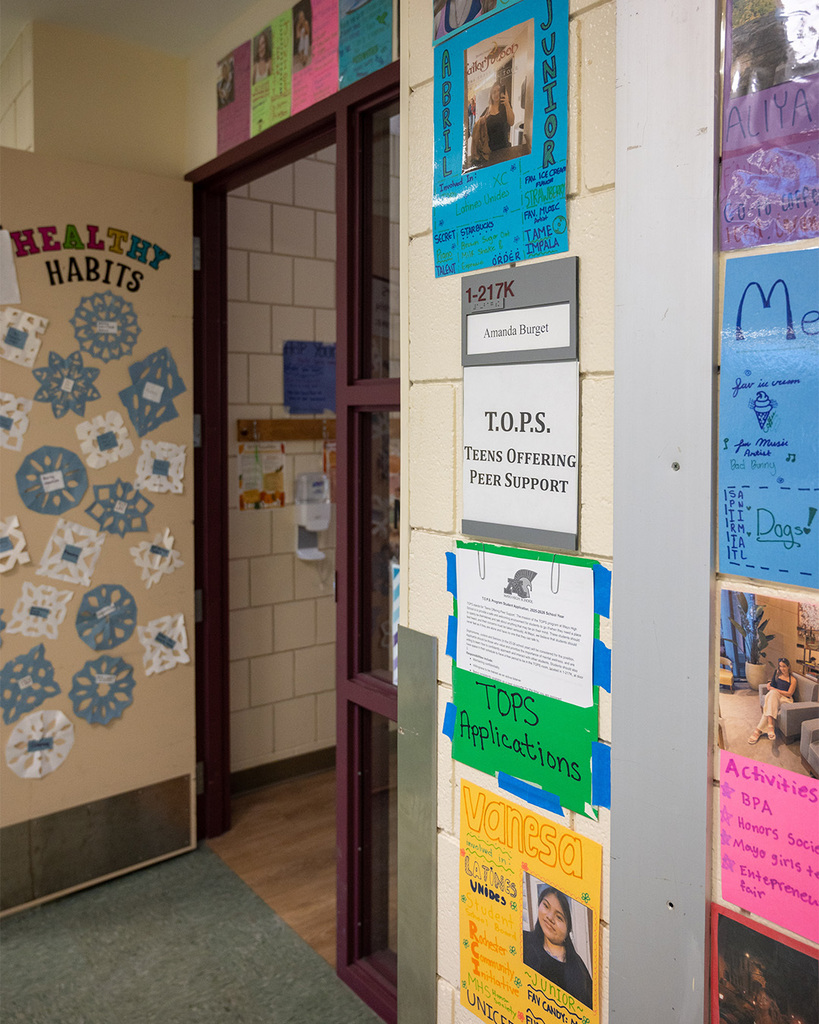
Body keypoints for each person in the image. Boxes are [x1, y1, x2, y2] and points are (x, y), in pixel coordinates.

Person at [522, 885, 593, 1009]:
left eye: (559, 917)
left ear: (568, 929)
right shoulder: (523, 941)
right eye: (546, 906)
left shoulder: (578, 970)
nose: (550, 917)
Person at [749, 657, 796, 743]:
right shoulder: (777, 674)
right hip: (775, 696)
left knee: (771, 697)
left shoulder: (793, 679)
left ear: (789, 666)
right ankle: (770, 726)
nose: (782, 668)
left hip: (786, 699)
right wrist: (769, 684)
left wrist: (774, 690)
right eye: (780, 666)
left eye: (784, 666)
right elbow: (772, 684)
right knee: (772, 696)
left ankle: (758, 730)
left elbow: (789, 694)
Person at [470, 82, 515, 165]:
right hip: (489, 152)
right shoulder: (487, 110)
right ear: (491, 94)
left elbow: (511, 122)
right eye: (493, 92)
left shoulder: (505, 107)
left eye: (498, 90)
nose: (496, 93)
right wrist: (482, 122)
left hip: (504, 149)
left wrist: (507, 104)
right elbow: (478, 128)